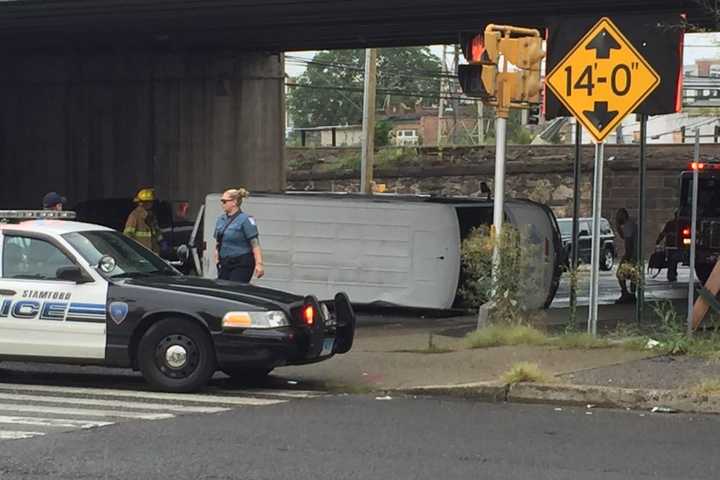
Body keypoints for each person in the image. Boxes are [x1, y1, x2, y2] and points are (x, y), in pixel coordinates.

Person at [214, 188, 264, 283]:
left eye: (224, 201)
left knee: (234, 288)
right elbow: (218, 241)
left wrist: (259, 264)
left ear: (234, 202)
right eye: (221, 201)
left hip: (241, 263)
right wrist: (217, 257)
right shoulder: (221, 220)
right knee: (222, 289)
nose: (222, 204)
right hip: (225, 262)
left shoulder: (246, 219)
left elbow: (255, 244)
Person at [123, 187, 164, 254]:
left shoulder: (152, 216)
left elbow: (157, 232)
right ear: (142, 203)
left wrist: (162, 242)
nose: (151, 204)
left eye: (151, 202)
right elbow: (127, 235)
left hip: (153, 253)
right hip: (140, 254)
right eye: (149, 202)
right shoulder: (134, 216)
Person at [615, 208, 639, 303]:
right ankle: (632, 295)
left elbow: (628, 242)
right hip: (635, 254)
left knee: (620, 274)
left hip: (631, 254)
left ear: (623, 216)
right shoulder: (630, 225)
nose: (617, 217)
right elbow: (624, 237)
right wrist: (618, 227)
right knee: (633, 275)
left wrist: (627, 256)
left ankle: (625, 293)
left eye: (618, 215)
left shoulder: (628, 225)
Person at [655, 211, 679, 282]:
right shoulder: (670, 224)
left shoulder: (671, 223)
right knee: (672, 261)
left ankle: (672, 274)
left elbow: (663, 233)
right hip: (671, 245)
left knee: (672, 261)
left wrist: (658, 241)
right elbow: (663, 233)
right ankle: (672, 274)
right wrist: (658, 241)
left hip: (673, 245)